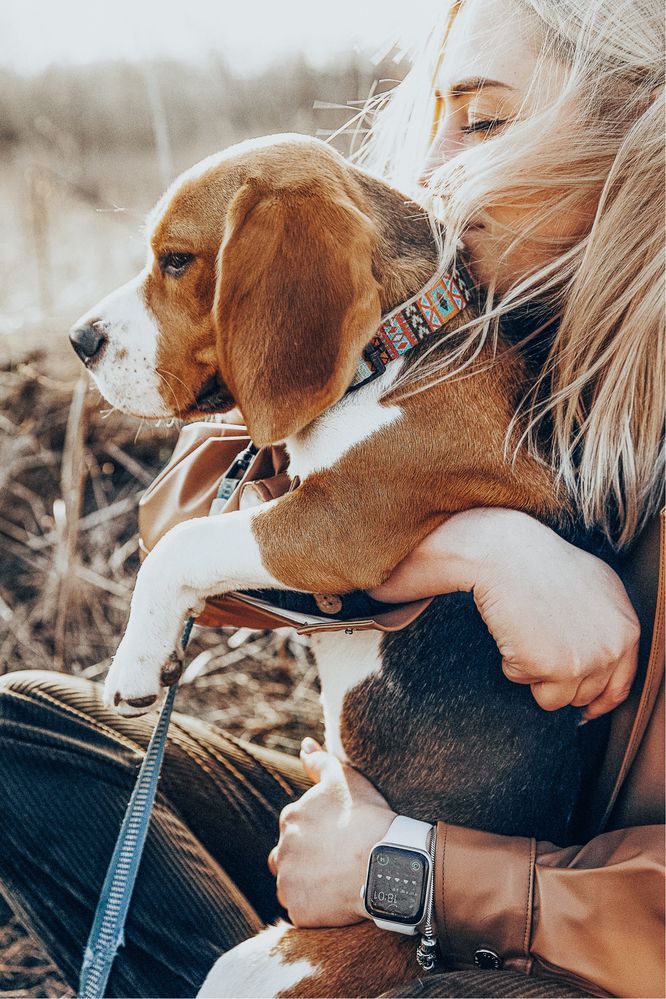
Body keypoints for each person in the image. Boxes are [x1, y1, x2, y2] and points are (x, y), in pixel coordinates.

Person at [0, 0, 663, 996]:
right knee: (28, 736)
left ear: (641, 127)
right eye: (437, 114)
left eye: (481, 121)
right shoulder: (469, 315)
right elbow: (194, 511)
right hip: (385, 823)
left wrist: (408, 873)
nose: (433, 168)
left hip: (565, 933)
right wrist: (475, 547)